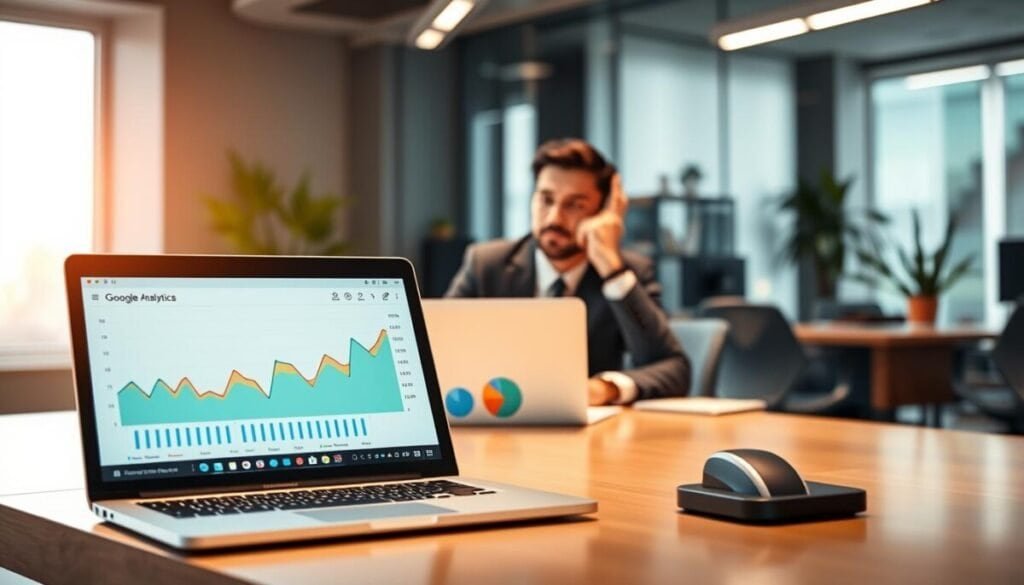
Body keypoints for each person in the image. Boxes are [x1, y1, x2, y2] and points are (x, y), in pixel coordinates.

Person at [445, 138, 690, 405]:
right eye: (546, 199)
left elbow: (672, 367)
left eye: (575, 205)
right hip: (496, 419)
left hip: (588, 436)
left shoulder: (628, 272)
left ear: (603, 212)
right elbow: (436, 350)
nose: (554, 218)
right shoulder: (486, 264)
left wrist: (604, 388)